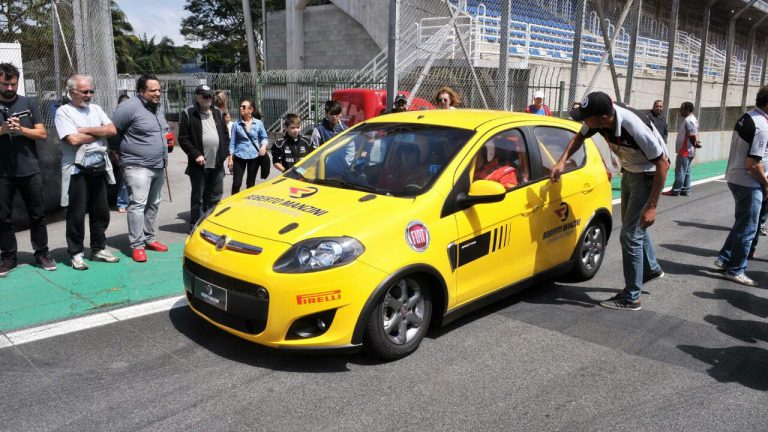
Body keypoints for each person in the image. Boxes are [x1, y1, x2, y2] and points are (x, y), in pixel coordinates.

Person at [550, 91, 669, 310]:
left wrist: (652, 207)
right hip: (631, 169)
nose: (584, 121)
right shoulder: (600, 119)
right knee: (634, 227)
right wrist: (561, 161)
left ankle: (632, 297)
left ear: (602, 118)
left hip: (648, 174)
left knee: (630, 235)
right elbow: (579, 137)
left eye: (586, 117)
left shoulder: (633, 127)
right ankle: (651, 268)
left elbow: (663, 163)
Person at [55, 74, 120, 270]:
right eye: (84, 91)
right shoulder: (63, 112)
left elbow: (112, 130)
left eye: (91, 91)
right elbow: (73, 140)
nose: (89, 95)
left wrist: (85, 130)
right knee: (76, 214)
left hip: (98, 167)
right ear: (71, 91)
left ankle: (98, 248)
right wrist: (99, 133)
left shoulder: (96, 109)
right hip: (77, 170)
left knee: (101, 212)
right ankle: (76, 253)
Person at [0, 62, 55, 276]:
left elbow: (42, 133)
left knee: (37, 214)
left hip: (29, 169)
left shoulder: (28, 103)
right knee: (3, 216)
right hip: (2, 173)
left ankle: (42, 254)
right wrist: (3, 129)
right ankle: (8, 257)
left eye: (13, 84)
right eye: (5, 84)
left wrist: (21, 129)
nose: (10, 88)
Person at [112, 74, 171, 263]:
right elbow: (113, 131)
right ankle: (137, 245)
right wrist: (116, 151)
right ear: (141, 91)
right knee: (138, 204)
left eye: (159, 90)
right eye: (153, 90)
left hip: (158, 164)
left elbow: (162, 131)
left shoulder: (157, 109)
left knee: (154, 203)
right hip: (137, 165)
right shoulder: (128, 107)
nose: (158, 93)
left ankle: (149, 238)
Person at [714, 86, 768, 287]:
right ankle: (735, 269)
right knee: (748, 228)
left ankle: (725, 258)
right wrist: (766, 184)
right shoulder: (762, 125)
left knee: (742, 223)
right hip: (749, 181)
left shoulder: (749, 116)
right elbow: (753, 164)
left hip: (738, 177)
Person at [179, 84, 230, 229]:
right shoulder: (189, 113)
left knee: (215, 196)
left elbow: (225, 135)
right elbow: (183, 138)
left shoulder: (218, 112)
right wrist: (196, 154)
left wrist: (224, 153)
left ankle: (210, 224)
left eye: (210, 96)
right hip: (199, 164)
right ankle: (196, 225)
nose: (208, 99)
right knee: (198, 197)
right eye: (205, 96)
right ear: (198, 97)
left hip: (217, 162)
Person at [226, 98, 268, 194]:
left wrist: (263, 146)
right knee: (236, 183)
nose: (241, 108)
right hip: (239, 156)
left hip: (254, 156)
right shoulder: (236, 124)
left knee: (250, 184)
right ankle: (234, 201)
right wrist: (230, 159)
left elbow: (264, 137)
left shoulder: (258, 123)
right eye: (240, 106)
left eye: (244, 107)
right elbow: (232, 143)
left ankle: (247, 201)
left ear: (250, 110)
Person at [663, 102, 700, 197]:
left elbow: (692, 135)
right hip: (689, 150)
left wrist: (694, 144)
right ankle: (686, 189)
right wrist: (695, 144)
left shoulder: (689, 120)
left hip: (685, 150)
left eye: (681, 109)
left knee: (680, 171)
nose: (680, 111)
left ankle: (676, 190)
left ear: (687, 109)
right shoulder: (693, 119)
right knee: (687, 171)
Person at [113, 93, 130, 213]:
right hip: (121, 152)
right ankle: (122, 202)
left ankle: (130, 201)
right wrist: (114, 151)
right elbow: (113, 136)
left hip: (132, 152)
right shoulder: (116, 117)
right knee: (125, 178)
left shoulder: (133, 116)